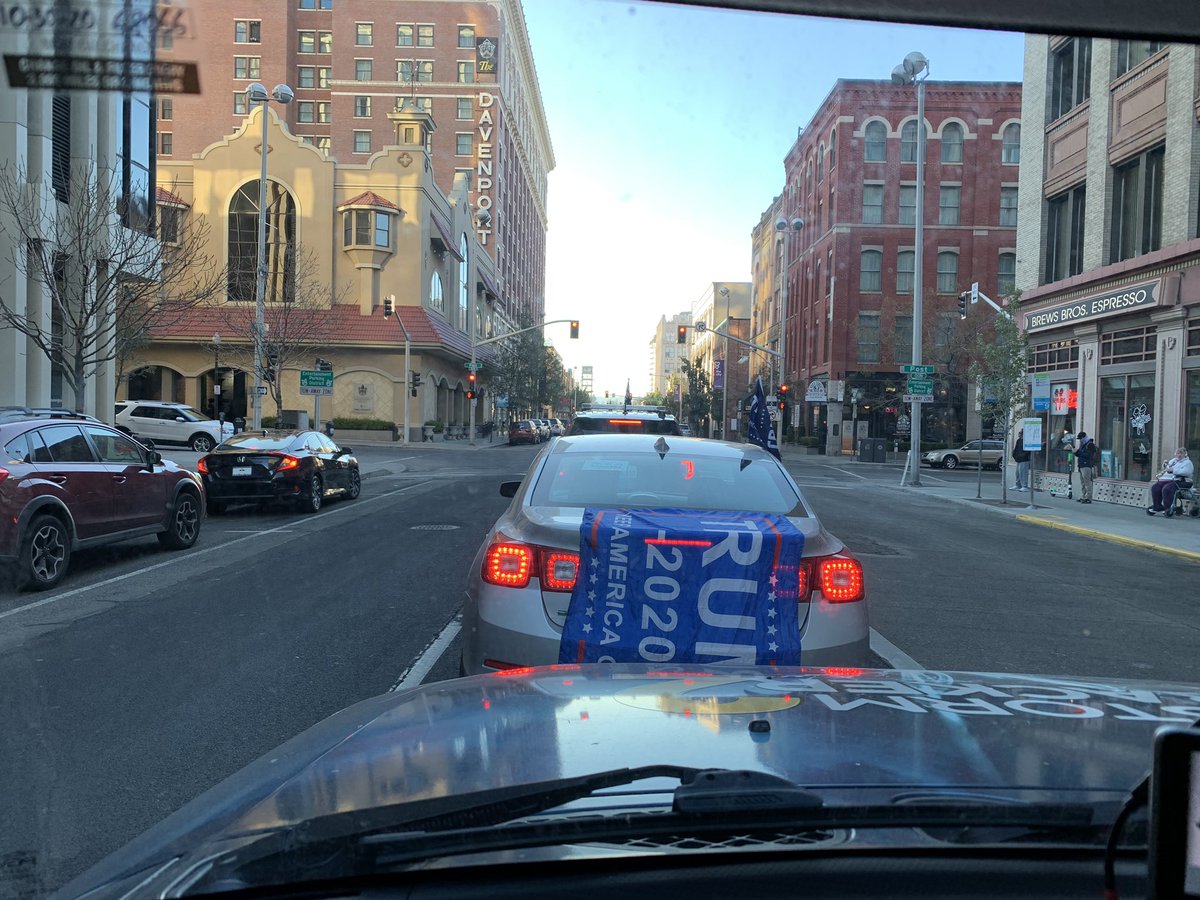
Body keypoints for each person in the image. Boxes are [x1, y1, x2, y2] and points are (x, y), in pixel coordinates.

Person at [1147, 448, 1195, 517]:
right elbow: (1167, 469)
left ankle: (1168, 508)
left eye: (1181, 453)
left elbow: (1187, 472)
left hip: (1184, 481)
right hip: (1171, 480)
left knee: (1167, 488)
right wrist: (1165, 467)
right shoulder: (1173, 461)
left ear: (1185, 454)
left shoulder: (1188, 462)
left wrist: (1173, 470)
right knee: (1155, 487)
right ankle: (1157, 506)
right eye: (1178, 453)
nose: (1179, 455)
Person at [1074, 431, 1097, 504]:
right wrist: (1076, 452)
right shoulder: (1083, 444)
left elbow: (1088, 455)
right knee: (1083, 482)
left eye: (1081, 438)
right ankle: (1083, 496)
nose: (1080, 440)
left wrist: (1079, 452)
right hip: (1081, 465)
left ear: (1084, 437)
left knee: (1087, 482)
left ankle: (1088, 498)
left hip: (1086, 465)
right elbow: (1081, 454)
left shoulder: (1090, 445)